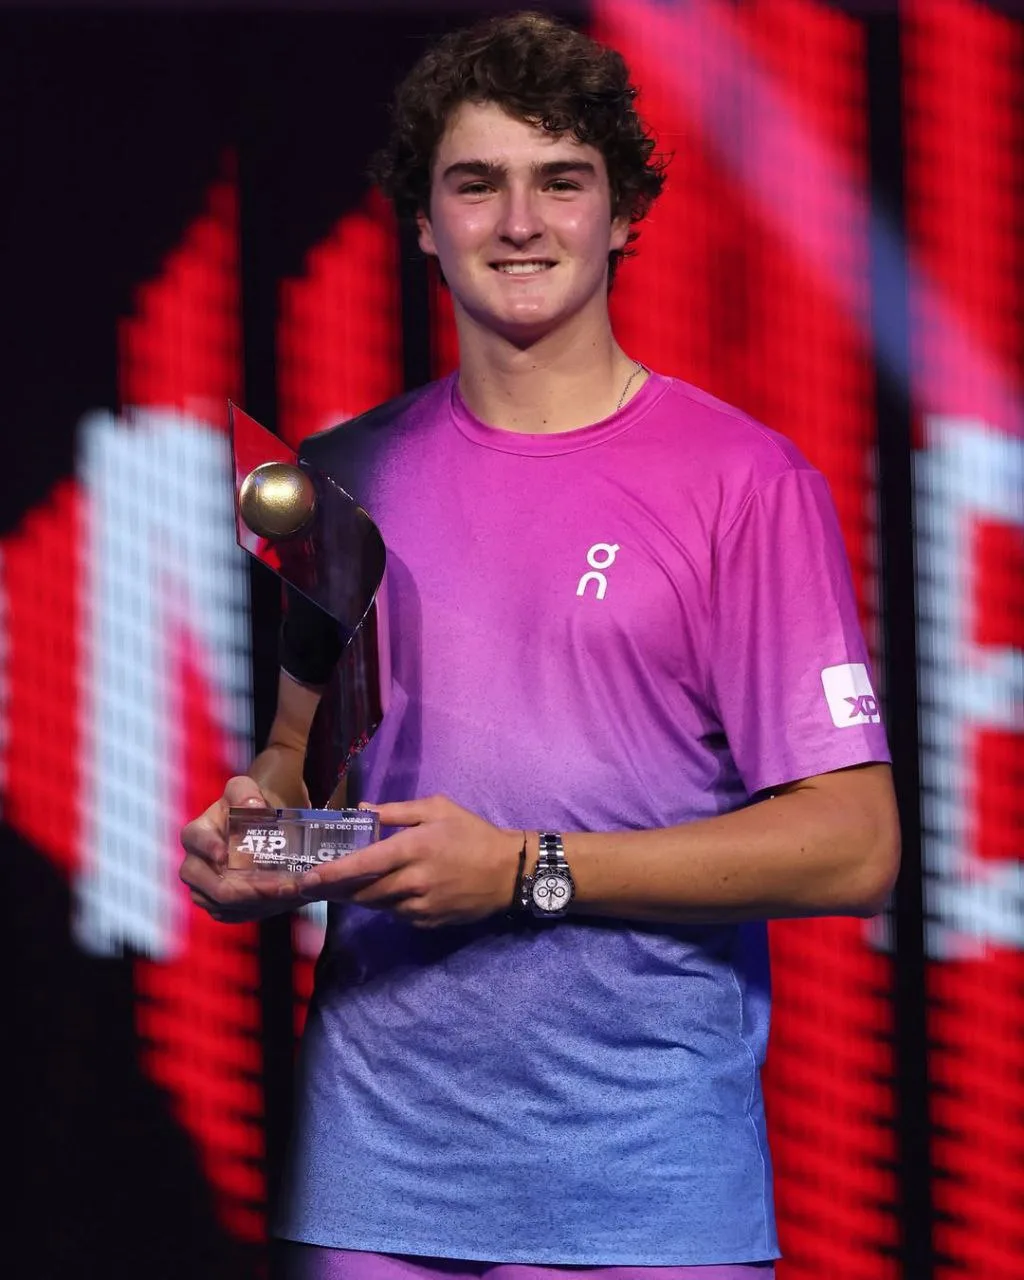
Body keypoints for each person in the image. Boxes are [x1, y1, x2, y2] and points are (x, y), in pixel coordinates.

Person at [180, 11, 899, 1279]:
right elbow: (304, 765)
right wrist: (256, 834)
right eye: (477, 183)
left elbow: (853, 845)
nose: (520, 221)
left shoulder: (743, 482)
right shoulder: (344, 476)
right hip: (371, 1183)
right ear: (423, 221)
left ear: (620, 215)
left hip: (646, 1189)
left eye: (560, 181)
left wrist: (524, 867)